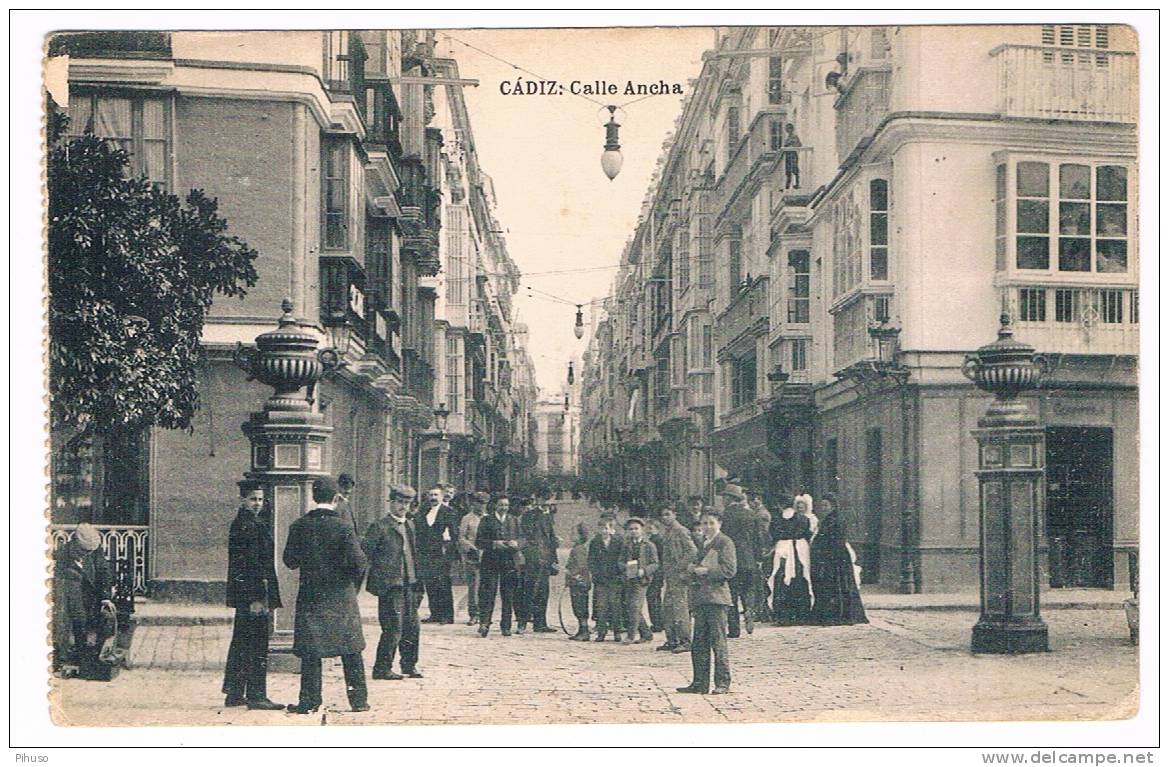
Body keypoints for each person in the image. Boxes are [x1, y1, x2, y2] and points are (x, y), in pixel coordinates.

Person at [283, 477, 368, 713]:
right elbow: (359, 563)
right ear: (336, 498)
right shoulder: (344, 527)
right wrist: (349, 582)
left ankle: (309, 701)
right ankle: (358, 701)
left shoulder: (299, 526)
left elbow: (290, 561)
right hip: (341, 597)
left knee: (311, 651)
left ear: (313, 497)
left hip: (311, 596)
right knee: (351, 649)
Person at [222, 481, 284, 709]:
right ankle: (257, 695)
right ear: (243, 500)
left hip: (247, 595)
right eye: (253, 499)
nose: (257, 503)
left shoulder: (245, 522)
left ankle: (235, 692)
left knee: (242, 641)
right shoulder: (249, 525)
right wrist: (256, 599)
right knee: (256, 644)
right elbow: (249, 566)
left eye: (260, 499)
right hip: (254, 595)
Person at [363, 484, 423, 681]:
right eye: (400, 502)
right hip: (391, 586)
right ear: (391, 502)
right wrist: (378, 582)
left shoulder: (410, 526)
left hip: (410, 584)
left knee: (412, 626)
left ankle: (409, 665)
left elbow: (414, 554)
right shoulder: (380, 527)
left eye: (407, 503)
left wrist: (417, 581)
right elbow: (365, 555)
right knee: (393, 627)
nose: (403, 507)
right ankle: (382, 668)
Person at [677, 508, 737, 696]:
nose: (707, 527)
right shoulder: (702, 543)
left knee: (718, 642)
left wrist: (707, 572)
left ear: (720, 523)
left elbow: (729, 570)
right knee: (699, 643)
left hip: (717, 598)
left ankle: (723, 683)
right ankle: (699, 683)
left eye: (711, 523)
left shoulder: (724, 542)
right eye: (704, 523)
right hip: (701, 598)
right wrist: (690, 571)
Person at [52, 523, 114, 676]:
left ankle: (84, 654)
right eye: (84, 551)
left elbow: (103, 572)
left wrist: (105, 598)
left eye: (90, 551)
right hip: (68, 598)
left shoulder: (95, 551)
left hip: (90, 597)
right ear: (75, 543)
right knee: (69, 619)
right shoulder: (62, 554)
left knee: (86, 619)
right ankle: (66, 656)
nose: (87, 554)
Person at [809, 494, 868, 625]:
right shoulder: (827, 520)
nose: (823, 508)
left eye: (826, 505)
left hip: (836, 557)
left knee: (837, 584)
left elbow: (834, 540)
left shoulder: (836, 520)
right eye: (822, 505)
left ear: (833, 506)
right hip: (830, 556)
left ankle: (839, 615)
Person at [719, 483, 765, 638]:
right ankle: (749, 611)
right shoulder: (752, 514)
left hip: (733, 560)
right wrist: (758, 558)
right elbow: (759, 539)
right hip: (750, 560)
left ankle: (734, 629)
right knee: (748, 590)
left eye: (724, 496)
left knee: (731, 594)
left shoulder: (726, 515)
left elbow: (723, 540)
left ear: (728, 498)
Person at [474, 495, 523, 637]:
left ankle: (506, 626)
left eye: (506, 505)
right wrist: (493, 544)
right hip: (490, 561)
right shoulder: (486, 520)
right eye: (501, 505)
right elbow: (479, 541)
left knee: (508, 595)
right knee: (488, 594)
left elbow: (523, 538)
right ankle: (484, 624)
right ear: (495, 505)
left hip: (509, 562)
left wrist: (517, 543)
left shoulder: (513, 520)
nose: (504, 508)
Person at [656, 506, 698, 654]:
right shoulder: (667, 532)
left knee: (680, 610)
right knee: (668, 609)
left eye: (668, 514)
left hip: (679, 577)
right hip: (670, 577)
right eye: (663, 515)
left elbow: (692, 551)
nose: (665, 518)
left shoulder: (680, 531)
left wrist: (680, 567)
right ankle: (672, 639)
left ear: (675, 514)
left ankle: (685, 641)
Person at [517, 495, 560, 633]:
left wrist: (553, 560)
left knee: (543, 592)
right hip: (533, 561)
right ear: (538, 500)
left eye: (550, 499)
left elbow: (551, 539)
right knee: (529, 591)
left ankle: (540, 623)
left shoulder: (548, 516)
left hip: (546, 561)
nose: (547, 502)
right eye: (545, 499)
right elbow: (527, 538)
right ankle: (522, 623)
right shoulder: (529, 515)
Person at [416, 486, 458, 624]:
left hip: (442, 552)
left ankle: (447, 615)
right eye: (431, 495)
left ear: (441, 497)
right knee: (430, 583)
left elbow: (453, 534)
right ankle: (435, 613)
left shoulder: (448, 512)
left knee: (443, 583)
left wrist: (450, 554)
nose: (433, 498)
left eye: (436, 495)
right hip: (426, 552)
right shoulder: (423, 511)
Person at [768, 500, 813, 625]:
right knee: (799, 579)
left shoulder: (776, 520)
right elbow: (806, 533)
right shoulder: (803, 519)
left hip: (783, 551)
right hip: (799, 551)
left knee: (782, 579)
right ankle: (801, 615)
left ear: (780, 505)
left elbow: (774, 534)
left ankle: (783, 615)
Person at [588, 512, 626, 642]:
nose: (603, 531)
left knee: (616, 606)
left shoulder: (619, 541)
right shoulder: (595, 542)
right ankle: (601, 632)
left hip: (615, 578)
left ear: (611, 529)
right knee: (601, 606)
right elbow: (591, 560)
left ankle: (617, 632)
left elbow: (623, 558)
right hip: (601, 580)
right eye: (601, 528)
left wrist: (621, 575)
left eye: (606, 528)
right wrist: (595, 574)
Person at [621, 517, 659, 644]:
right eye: (631, 529)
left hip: (642, 580)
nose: (634, 531)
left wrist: (644, 570)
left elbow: (655, 564)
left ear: (642, 530)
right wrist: (625, 567)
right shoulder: (626, 545)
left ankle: (631, 636)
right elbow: (620, 561)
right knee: (632, 606)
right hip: (629, 579)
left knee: (634, 606)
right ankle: (646, 633)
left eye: (636, 528)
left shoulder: (649, 546)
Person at [457, 491, 490, 626]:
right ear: (473, 503)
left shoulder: (489, 518)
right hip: (473, 556)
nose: (481, 506)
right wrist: (473, 549)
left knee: (487, 586)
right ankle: (474, 614)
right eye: (478, 503)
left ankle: (485, 614)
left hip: (488, 556)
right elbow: (461, 538)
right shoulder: (467, 519)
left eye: (484, 503)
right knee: (474, 586)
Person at [564, 522, 592, 641]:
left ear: (581, 535)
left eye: (573, 533)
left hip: (579, 582)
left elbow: (580, 566)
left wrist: (571, 574)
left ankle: (584, 632)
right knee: (578, 606)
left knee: (580, 606)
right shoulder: (577, 548)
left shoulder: (578, 549)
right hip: (578, 582)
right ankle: (581, 630)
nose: (571, 535)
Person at [782, 123, 802, 190]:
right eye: (787, 129)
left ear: (792, 129)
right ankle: (787, 186)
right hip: (788, 155)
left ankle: (797, 183)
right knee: (788, 171)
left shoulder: (794, 137)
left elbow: (799, 144)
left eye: (790, 128)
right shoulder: (787, 138)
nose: (788, 130)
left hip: (793, 154)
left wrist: (792, 143)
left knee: (795, 169)